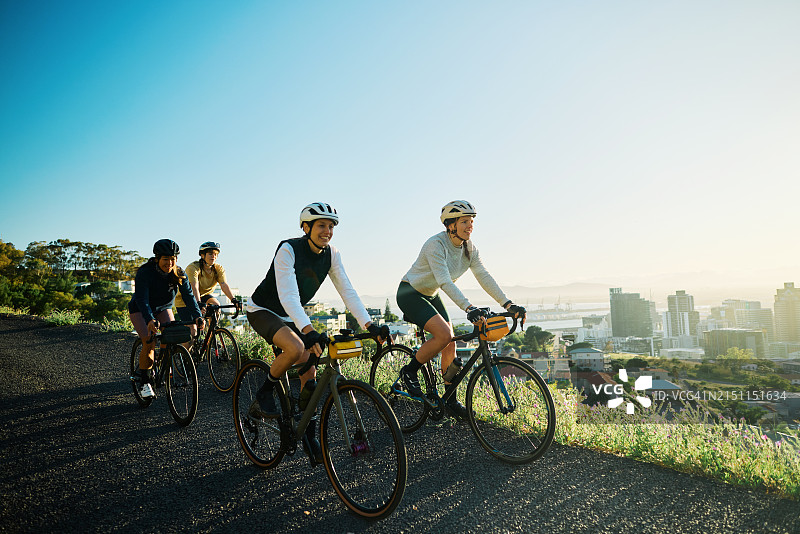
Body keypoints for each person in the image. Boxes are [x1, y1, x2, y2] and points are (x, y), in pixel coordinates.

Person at [246, 202, 388, 463]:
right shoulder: (288, 249)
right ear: (306, 227)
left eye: (331, 226)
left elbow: (347, 290)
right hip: (263, 309)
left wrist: (370, 325)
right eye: (322, 225)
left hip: (293, 315)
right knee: (296, 348)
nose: (328, 231)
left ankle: (309, 435)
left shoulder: (332, 254)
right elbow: (288, 295)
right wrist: (309, 331)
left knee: (309, 369)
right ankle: (266, 389)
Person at [396, 200, 526, 418]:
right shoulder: (435, 244)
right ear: (451, 225)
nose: (470, 225)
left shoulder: (469, 248)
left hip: (431, 294)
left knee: (450, 342)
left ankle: (450, 400)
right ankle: (409, 371)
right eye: (465, 221)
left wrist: (507, 304)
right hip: (410, 293)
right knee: (444, 334)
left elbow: (484, 276)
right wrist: (469, 308)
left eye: (472, 221)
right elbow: (445, 281)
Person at [128, 239, 205, 398]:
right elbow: (142, 300)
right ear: (157, 259)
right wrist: (149, 319)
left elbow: (189, 297)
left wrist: (197, 316)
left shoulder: (179, 273)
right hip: (141, 310)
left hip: (163, 308)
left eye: (173, 259)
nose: (169, 263)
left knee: (170, 337)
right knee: (149, 341)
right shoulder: (145, 272)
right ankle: (144, 381)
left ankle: (159, 363)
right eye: (165, 259)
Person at [175, 241, 241, 351]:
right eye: (210, 254)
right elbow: (194, 287)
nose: (213, 256)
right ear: (202, 255)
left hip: (204, 296)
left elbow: (224, 285)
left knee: (216, 305)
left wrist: (234, 300)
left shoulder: (218, 269)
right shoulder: (193, 268)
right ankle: (183, 356)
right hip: (185, 300)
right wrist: (199, 304)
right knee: (193, 332)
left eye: (215, 254)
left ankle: (210, 340)